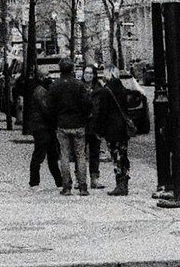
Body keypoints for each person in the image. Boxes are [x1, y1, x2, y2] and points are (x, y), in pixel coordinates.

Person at [48, 57, 93, 196]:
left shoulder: (55, 85)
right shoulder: (79, 85)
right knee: (80, 155)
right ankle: (83, 186)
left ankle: (66, 186)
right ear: (72, 69)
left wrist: (55, 120)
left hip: (62, 124)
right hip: (78, 123)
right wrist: (85, 116)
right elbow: (87, 104)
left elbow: (50, 106)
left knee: (64, 155)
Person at [91, 67, 135, 196]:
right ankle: (125, 180)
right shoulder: (123, 90)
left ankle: (120, 183)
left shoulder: (106, 91)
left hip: (111, 128)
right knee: (123, 153)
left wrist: (99, 129)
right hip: (122, 128)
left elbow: (102, 112)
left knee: (115, 156)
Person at [27, 73, 60, 188]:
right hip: (42, 126)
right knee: (41, 154)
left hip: (44, 125)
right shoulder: (41, 91)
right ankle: (34, 181)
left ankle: (58, 180)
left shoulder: (41, 90)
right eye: (47, 75)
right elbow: (46, 108)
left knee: (51, 154)